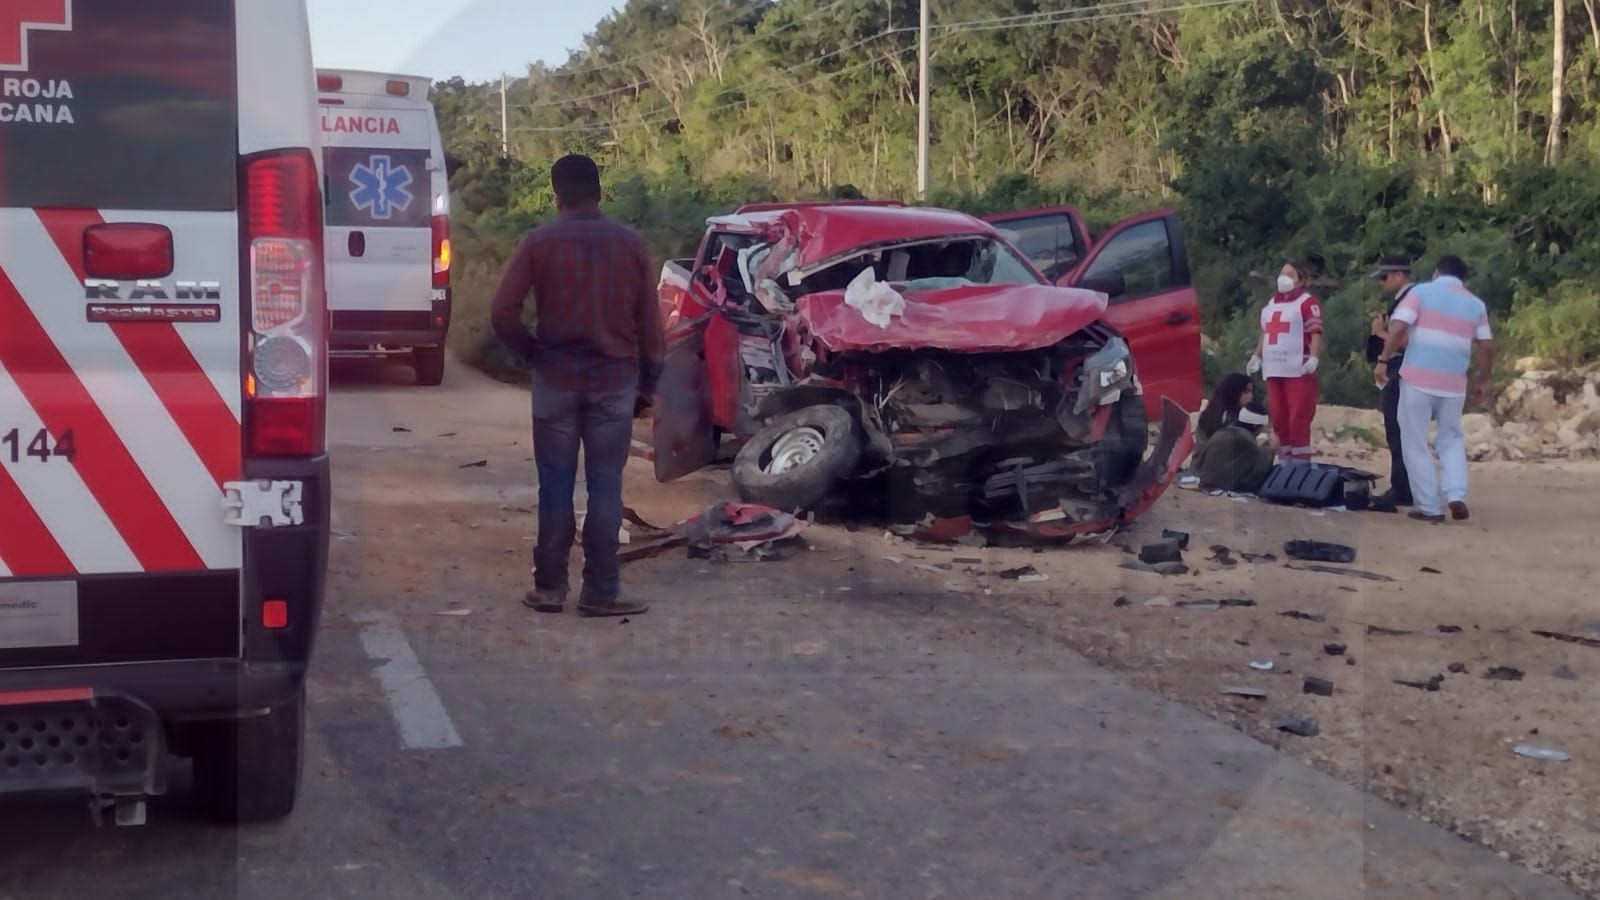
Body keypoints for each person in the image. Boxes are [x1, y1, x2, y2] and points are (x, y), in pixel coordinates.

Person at [490, 154, 665, 617]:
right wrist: (649, 385)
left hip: (555, 381)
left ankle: (549, 588)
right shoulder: (629, 244)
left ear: (556, 194)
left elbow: (502, 312)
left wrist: (533, 354)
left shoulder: (538, 242)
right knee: (606, 486)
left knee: (555, 484)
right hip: (614, 381)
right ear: (599, 191)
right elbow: (651, 323)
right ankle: (601, 591)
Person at [1373, 254, 1494, 524]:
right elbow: (1486, 346)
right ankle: (1455, 493)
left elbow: (1399, 327)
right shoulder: (1476, 304)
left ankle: (1431, 506)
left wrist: (1383, 360)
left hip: (1417, 378)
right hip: (1454, 383)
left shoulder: (1421, 293)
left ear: (1437, 272)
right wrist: (1483, 380)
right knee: (1451, 438)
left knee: (1414, 440)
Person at [1247, 259, 1324, 462]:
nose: (1284, 278)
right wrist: (1257, 355)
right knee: (1279, 417)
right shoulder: (1272, 304)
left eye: (1290, 275)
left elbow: (1315, 332)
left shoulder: (1307, 303)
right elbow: (1266, 332)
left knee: (1298, 417)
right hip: (1274, 369)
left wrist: (1314, 357)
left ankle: (1300, 464)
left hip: (1298, 369)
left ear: (1302, 280)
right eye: (1283, 273)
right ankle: (1284, 460)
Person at [1366, 254, 1417, 507]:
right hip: (1406, 368)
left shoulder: (1408, 302)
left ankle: (1402, 488)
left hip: (1402, 367)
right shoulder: (1405, 301)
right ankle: (1407, 485)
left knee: (1397, 429)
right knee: (1402, 430)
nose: (1381, 283)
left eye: (1384, 277)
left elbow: (1406, 341)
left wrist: (1380, 334)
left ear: (1399, 275)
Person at [1193, 401, 1275, 493]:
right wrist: (1270, 449)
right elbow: (1255, 474)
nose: (1262, 430)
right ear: (1255, 425)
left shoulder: (1222, 432)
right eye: (1262, 427)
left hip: (1201, 478)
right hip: (1221, 485)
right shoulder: (1246, 440)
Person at [1195, 372, 1254, 445]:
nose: (1251, 396)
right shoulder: (1209, 417)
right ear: (1234, 391)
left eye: (1251, 392)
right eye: (1246, 392)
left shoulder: (1246, 417)